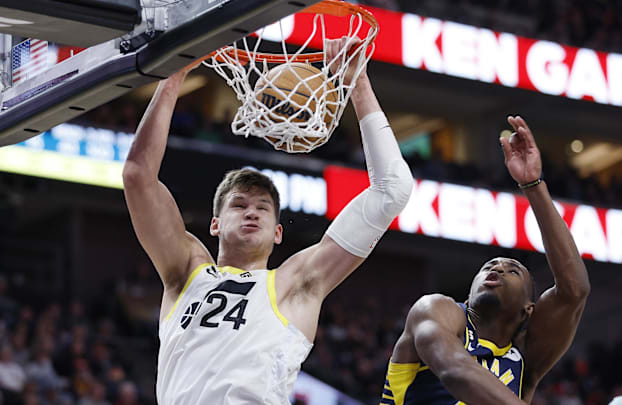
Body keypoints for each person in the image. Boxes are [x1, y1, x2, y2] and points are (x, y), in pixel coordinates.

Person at [122, 37, 413, 404]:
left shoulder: (296, 283)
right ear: (214, 225)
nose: (251, 211)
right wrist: (173, 78)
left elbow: (393, 189)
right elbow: (137, 175)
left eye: (262, 207)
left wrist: (359, 85)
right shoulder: (185, 270)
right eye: (239, 205)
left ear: (278, 233)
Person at [380, 116, 590, 404]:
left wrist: (534, 184)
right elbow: (456, 372)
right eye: (489, 266)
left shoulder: (526, 359)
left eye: (513, 270)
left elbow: (574, 290)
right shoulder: (437, 310)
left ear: (529, 309)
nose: (498, 268)